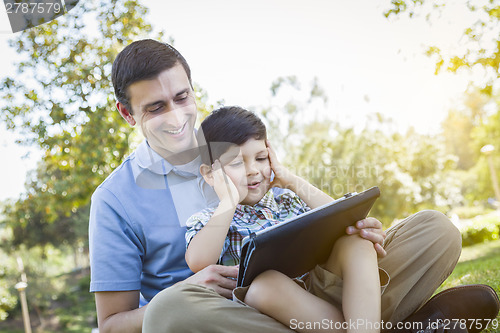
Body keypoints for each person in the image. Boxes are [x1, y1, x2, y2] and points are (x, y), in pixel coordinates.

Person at [89, 38, 499, 333]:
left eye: (182, 97)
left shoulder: (236, 147)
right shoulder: (114, 200)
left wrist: (359, 229)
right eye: (156, 107)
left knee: (435, 230)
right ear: (128, 114)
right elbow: (112, 325)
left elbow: (311, 220)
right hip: (228, 314)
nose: (177, 117)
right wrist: (189, 286)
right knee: (169, 311)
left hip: (309, 291)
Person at [185, 106, 383, 332]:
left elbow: (342, 219)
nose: (253, 170)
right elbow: (198, 261)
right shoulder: (210, 219)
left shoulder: (287, 201)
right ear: (211, 174)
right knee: (265, 284)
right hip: (263, 310)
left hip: (314, 292)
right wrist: (228, 202)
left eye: (261, 158)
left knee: (356, 241)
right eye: (237, 163)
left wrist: (290, 180)